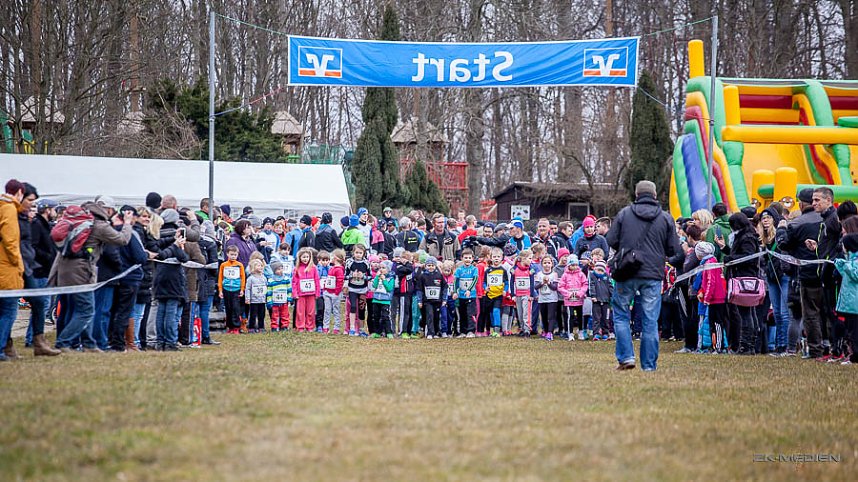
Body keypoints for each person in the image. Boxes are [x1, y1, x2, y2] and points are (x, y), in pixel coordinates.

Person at [606, 180, 681, 371]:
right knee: (650, 320)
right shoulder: (665, 218)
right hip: (653, 274)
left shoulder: (624, 214)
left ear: (636, 194)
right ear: (655, 195)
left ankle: (626, 358)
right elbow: (673, 249)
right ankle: (648, 365)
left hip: (627, 271)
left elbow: (611, 240)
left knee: (622, 314)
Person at [52, 201, 134, 352]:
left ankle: (89, 344)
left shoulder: (77, 223)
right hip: (82, 271)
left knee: (75, 308)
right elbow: (123, 240)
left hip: (66, 269)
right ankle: (63, 342)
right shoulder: (99, 226)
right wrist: (127, 223)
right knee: (86, 310)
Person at [775, 188, 825, 358]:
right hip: (825, 273)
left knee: (803, 314)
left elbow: (783, 244)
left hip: (803, 274)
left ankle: (811, 349)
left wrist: (781, 228)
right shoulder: (828, 220)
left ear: (802, 203)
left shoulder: (797, 223)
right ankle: (828, 348)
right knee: (824, 313)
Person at [107, 206, 148, 352]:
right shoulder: (131, 233)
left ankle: (112, 340)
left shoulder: (110, 233)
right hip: (130, 277)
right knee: (124, 311)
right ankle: (118, 343)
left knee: (114, 310)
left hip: (114, 276)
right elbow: (140, 257)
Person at [152, 209, 189, 351]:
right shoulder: (175, 235)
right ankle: (170, 341)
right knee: (171, 313)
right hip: (173, 277)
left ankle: (160, 341)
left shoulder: (157, 234)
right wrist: (179, 244)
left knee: (161, 311)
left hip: (160, 275)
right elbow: (183, 257)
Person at [27, 197, 60, 354]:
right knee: (40, 306)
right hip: (39, 271)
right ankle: (31, 339)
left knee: (42, 306)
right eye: (54, 209)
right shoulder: (37, 225)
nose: (55, 212)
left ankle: (34, 338)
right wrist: (47, 256)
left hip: (45, 270)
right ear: (48, 209)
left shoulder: (44, 225)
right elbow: (33, 246)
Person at [695, 241, 727, 353]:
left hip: (717, 299)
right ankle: (714, 345)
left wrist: (707, 298)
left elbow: (711, 282)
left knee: (717, 323)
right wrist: (702, 292)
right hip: (713, 298)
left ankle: (719, 347)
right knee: (712, 323)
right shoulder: (709, 262)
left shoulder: (710, 263)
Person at [834, 225, 858, 365]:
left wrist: (847, 265)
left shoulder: (855, 261)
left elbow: (855, 275)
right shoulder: (851, 260)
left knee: (855, 333)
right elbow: (847, 275)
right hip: (849, 304)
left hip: (854, 305)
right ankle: (852, 354)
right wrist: (841, 266)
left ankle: (856, 356)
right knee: (850, 331)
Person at [416, 256, 447, 339]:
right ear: (425, 266)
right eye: (429, 265)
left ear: (435, 266)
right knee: (429, 315)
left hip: (437, 301)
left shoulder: (439, 276)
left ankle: (437, 332)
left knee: (437, 317)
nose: (431, 267)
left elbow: (444, 288)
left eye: (432, 265)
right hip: (427, 301)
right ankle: (430, 332)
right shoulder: (422, 276)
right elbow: (419, 289)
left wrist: (444, 299)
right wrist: (419, 301)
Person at [558, 254, 588, 341]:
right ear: (568, 265)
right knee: (570, 316)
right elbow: (560, 286)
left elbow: (585, 284)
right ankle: (570, 332)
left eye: (576, 265)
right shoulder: (565, 275)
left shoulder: (581, 274)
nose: (574, 267)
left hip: (579, 299)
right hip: (569, 300)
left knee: (580, 316)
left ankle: (581, 331)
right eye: (572, 265)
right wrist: (567, 294)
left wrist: (580, 293)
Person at [481, 247, 508, 337]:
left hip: (498, 295)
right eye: (494, 256)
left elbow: (506, 283)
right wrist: (485, 288)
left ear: (501, 258)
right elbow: (484, 282)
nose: (496, 258)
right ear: (491, 258)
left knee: (496, 311)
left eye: (498, 257)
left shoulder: (503, 270)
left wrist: (505, 290)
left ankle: (498, 330)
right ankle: (492, 330)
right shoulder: (488, 270)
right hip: (489, 295)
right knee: (491, 313)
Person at [292, 247, 320, 332]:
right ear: (300, 258)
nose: (305, 259)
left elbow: (317, 280)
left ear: (310, 257)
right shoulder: (296, 269)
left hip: (311, 293)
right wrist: (295, 293)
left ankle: (310, 326)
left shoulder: (314, 268)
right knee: (300, 311)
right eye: (303, 257)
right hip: (300, 294)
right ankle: (300, 326)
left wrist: (317, 292)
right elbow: (294, 282)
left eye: (307, 257)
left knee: (311, 311)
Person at [219, 245, 245, 334]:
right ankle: (229, 326)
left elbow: (242, 278)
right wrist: (220, 290)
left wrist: (242, 289)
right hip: (226, 289)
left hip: (236, 289)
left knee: (236, 308)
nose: (233, 256)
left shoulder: (239, 265)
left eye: (235, 255)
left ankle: (236, 326)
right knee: (228, 308)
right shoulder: (223, 265)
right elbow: (220, 277)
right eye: (231, 254)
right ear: (227, 254)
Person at [453, 248, 479, 337]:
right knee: (462, 313)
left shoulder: (474, 269)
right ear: (462, 258)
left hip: (471, 296)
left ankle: (471, 331)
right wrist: (455, 292)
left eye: (469, 258)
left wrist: (469, 290)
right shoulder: (459, 270)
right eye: (465, 258)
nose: (467, 259)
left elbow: (475, 280)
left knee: (470, 313)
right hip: (461, 296)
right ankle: (463, 331)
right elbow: (456, 282)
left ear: (472, 259)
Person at [534, 255, 560, 340]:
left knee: (551, 316)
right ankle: (545, 330)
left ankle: (550, 332)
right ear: (542, 264)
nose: (547, 265)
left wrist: (548, 283)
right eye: (545, 263)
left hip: (552, 299)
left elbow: (555, 287)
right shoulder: (539, 274)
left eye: (549, 263)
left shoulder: (554, 274)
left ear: (552, 264)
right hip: (542, 299)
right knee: (544, 316)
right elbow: (536, 286)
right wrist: (542, 283)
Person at [588, 260, 612, 341]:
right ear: (595, 269)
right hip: (596, 301)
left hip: (606, 301)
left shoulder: (607, 277)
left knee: (606, 318)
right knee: (596, 318)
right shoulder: (592, 276)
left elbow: (610, 287)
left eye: (602, 270)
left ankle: (605, 333)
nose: (600, 272)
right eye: (598, 270)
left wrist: (612, 296)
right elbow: (591, 286)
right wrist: (593, 296)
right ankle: (596, 333)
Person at [322, 249, 345, 334]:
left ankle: (336, 328)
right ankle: (326, 326)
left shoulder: (338, 269)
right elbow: (329, 279)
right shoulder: (332, 268)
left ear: (336, 258)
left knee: (336, 310)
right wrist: (325, 288)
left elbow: (340, 281)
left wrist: (336, 292)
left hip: (335, 293)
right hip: (328, 292)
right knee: (327, 310)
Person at [370, 260, 395, 338]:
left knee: (385, 316)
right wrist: (377, 277)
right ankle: (377, 332)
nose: (381, 269)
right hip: (376, 299)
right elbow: (374, 285)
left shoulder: (391, 278)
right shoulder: (377, 277)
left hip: (385, 300)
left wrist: (384, 280)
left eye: (383, 268)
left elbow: (389, 288)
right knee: (376, 316)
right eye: (380, 268)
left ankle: (388, 332)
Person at [244, 259, 268, 333]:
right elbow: (247, 289)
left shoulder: (264, 278)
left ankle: (261, 327)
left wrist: (267, 297)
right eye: (258, 265)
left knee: (262, 314)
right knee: (253, 314)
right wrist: (247, 298)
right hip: (253, 300)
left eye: (261, 265)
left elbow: (266, 287)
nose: (260, 267)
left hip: (262, 300)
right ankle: (251, 327)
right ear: (253, 267)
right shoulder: (250, 278)